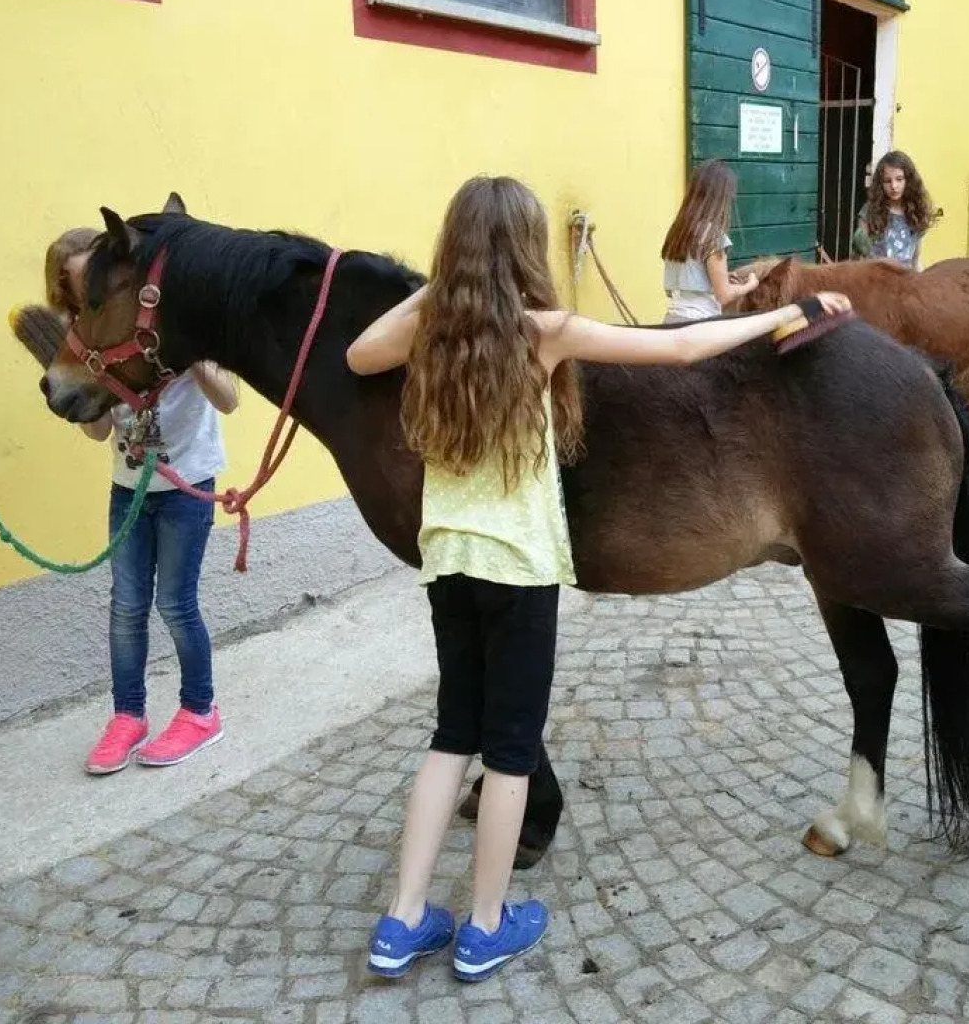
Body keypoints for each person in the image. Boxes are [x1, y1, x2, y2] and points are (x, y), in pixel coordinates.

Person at [345, 175, 850, 982]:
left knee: (453, 736)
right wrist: (787, 312)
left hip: (447, 564)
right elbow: (682, 349)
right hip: (519, 571)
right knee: (509, 750)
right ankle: (483, 925)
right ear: (525, 249)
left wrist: (443, 288)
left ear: (457, 251)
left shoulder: (429, 335)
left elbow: (356, 350)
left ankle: (403, 919)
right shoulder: (546, 331)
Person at [80, 365, 239, 773]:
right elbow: (98, 432)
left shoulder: (185, 331)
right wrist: (82, 389)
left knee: (175, 604)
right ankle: (129, 716)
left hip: (186, 491)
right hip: (127, 491)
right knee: (127, 606)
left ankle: (201, 712)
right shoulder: (112, 346)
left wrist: (197, 359)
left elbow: (229, 400)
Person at [660, 159, 758, 322]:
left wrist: (723, 277)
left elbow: (689, 276)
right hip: (700, 325)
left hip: (671, 320)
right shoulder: (713, 237)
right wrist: (749, 285)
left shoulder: (678, 231)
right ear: (721, 197)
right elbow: (724, 296)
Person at [852, 150, 937, 270]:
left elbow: (915, 260)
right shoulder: (870, 211)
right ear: (880, 184)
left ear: (909, 180)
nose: (894, 186)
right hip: (876, 281)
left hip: (905, 283)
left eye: (899, 179)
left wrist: (923, 282)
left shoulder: (916, 213)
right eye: (888, 181)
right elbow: (858, 257)